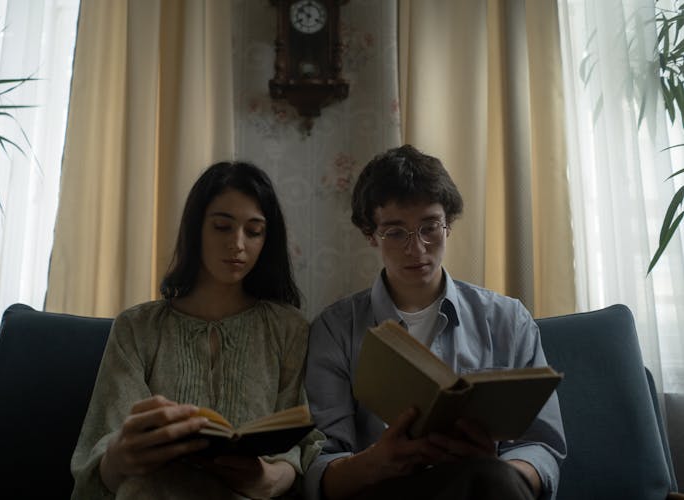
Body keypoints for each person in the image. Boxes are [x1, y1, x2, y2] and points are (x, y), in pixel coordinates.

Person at [303, 145, 566, 500]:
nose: (418, 249)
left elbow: (542, 446)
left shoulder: (507, 319)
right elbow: (321, 470)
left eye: (430, 227)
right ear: (370, 234)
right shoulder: (335, 330)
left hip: (487, 490)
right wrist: (378, 461)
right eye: (396, 233)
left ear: (449, 225)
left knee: (489, 477)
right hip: (381, 491)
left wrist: (499, 470)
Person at [71, 161, 322, 499]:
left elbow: (303, 448)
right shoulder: (136, 328)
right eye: (222, 226)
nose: (237, 243)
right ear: (196, 228)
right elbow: (100, 462)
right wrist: (120, 457)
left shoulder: (290, 330)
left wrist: (265, 479)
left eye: (254, 231)